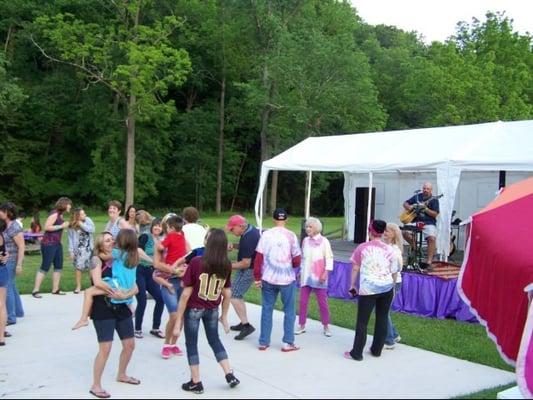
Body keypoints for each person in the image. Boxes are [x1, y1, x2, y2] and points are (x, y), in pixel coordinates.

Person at [173, 228, 240, 394]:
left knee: (191, 344)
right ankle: (229, 374)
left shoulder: (197, 262)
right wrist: (224, 316)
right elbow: (227, 292)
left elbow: (186, 292)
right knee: (214, 340)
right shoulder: (226, 265)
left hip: (194, 309)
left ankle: (196, 382)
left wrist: (177, 321)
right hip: (212, 309)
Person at [86, 232, 140, 399]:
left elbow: (135, 285)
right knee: (106, 348)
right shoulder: (96, 260)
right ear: (101, 244)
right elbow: (96, 283)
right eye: (107, 240)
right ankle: (96, 385)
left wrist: (124, 295)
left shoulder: (122, 258)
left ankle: (122, 374)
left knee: (130, 344)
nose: (111, 242)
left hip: (121, 305)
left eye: (113, 240)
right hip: (103, 307)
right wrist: (114, 291)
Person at [344, 219, 398, 362]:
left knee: (362, 321)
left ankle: (357, 352)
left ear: (370, 231)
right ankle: (376, 350)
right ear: (383, 232)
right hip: (386, 288)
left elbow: (355, 268)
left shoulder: (362, 248)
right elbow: (394, 271)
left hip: (368, 289)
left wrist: (352, 285)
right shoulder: (390, 250)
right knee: (382, 318)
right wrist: (391, 286)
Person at [72, 229, 142, 330]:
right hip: (126, 287)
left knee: (88, 292)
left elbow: (104, 257)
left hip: (117, 286)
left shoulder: (118, 253)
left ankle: (84, 318)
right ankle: (130, 307)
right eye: (108, 240)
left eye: (114, 239)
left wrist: (97, 253)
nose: (114, 241)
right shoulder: (133, 254)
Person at [253, 208, 302, 352]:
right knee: (289, 311)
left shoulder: (266, 235)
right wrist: (289, 266)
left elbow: (258, 258)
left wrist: (257, 277)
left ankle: (264, 341)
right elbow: (297, 259)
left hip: (268, 277)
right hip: (287, 278)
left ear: (273, 220)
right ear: (286, 220)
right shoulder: (291, 235)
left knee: (267, 309)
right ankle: (288, 342)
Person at [153, 213, 186, 359]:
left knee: (181, 316)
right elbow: (156, 264)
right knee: (173, 315)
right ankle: (166, 344)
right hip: (169, 280)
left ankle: (174, 344)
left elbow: (189, 256)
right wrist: (172, 269)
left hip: (183, 281)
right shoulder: (161, 242)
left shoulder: (182, 238)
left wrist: (185, 268)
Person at [295, 217, 334, 337]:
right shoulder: (305, 241)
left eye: (310, 227)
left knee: (322, 302)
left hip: (319, 276)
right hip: (306, 276)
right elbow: (303, 257)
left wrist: (325, 273)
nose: (307, 229)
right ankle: (301, 324)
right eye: (306, 227)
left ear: (317, 228)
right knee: (302, 301)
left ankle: (326, 325)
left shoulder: (324, 241)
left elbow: (329, 258)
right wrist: (300, 271)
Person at [226, 214, 260, 341]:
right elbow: (249, 249)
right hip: (247, 268)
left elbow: (246, 263)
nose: (231, 231)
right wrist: (234, 246)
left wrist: (226, 266)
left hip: (248, 270)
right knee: (237, 295)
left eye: (232, 228)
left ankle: (246, 326)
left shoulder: (248, 237)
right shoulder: (250, 230)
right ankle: (242, 321)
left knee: (234, 295)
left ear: (240, 226)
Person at [32, 197, 72, 298]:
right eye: (69, 204)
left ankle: (55, 289)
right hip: (48, 244)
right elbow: (46, 227)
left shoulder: (61, 215)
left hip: (57, 244)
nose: (70, 206)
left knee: (58, 266)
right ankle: (35, 290)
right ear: (64, 204)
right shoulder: (55, 214)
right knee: (45, 266)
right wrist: (61, 226)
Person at [134, 218, 165, 339]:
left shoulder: (161, 241)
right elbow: (138, 250)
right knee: (142, 300)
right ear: (152, 226)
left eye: (160, 226)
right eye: (156, 226)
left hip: (152, 274)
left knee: (160, 299)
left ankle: (155, 328)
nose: (157, 228)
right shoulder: (145, 237)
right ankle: (137, 328)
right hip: (140, 271)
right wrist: (152, 261)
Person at [402, 182, 440, 267]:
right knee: (404, 232)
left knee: (432, 238)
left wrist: (425, 209)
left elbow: (435, 214)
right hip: (415, 221)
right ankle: (416, 248)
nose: (425, 190)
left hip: (428, 223)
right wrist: (409, 207)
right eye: (424, 188)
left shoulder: (434, 200)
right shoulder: (417, 196)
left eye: (428, 189)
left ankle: (429, 261)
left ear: (431, 190)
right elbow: (405, 203)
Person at [0, 202, 25, 325]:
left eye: (1, 211)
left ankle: (10, 317)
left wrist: (19, 264)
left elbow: (21, 246)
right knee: (12, 285)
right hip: (7, 259)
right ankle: (19, 311)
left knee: (7, 287)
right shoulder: (6, 225)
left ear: (7, 213)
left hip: (11, 260)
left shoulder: (14, 227)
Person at [153, 215, 189, 293]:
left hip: (171, 265)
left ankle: (168, 285)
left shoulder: (170, 236)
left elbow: (161, 248)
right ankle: (182, 278)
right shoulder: (182, 236)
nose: (167, 229)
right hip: (182, 266)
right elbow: (189, 254)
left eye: (168, 227)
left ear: (172, 228)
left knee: (155, 275)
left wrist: (157, 244)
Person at [383, 223, 403, 349]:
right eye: (384, 231)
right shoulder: (385, 246)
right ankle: (394, 334)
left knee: (383, 312)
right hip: (385, 281)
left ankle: (389, 340)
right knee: (384, 311)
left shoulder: (394, 249)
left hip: (393, 282)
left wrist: (392, 285)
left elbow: (397, 269)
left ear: (394, 234)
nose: (384, 233)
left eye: (387, 231)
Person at [68, 208, 96, 294]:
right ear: (77, 216)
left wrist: (81, 224)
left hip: (89, 248)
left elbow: (92, 230)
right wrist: (71, 251)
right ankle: (78, 286)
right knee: (78, 268)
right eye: (82, 214)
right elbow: (70, 239)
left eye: (84, 213)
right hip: (79, 250)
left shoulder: (88, 220)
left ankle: (93, 285)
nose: (85, 215)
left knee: (92, 268)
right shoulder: (72, 225)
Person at [0, 219, 9, 345]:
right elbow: (5, 253)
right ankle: (1, 336)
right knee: (2, 305)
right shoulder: (2, 236)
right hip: (2, 270)